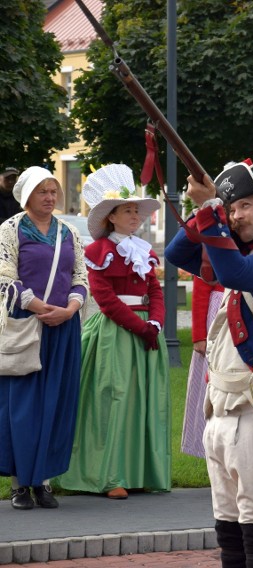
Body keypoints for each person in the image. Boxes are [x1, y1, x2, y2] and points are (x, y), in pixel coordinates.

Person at [165, 160, 253, 568]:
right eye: (233, 208)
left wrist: (212, 207)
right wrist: (206, 209)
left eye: (245, 205)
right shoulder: (238, 250)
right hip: (221, 410)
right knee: (229, 533)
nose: (237, 215)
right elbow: (177, 252)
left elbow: (234, 271)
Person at [58, 164, 170, 499]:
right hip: (115, 333)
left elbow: (156, 292)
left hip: (146, 332)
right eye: (128, 210)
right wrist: (140, 326)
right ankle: (111, 475)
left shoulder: (144, 252)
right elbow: (105, 299)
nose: (135, 215)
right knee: (114, 399)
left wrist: (156, 323)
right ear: (111, 217)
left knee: (145, 402)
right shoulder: (97, 252)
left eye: (137, 209)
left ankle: (141, 471)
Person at [0, 166, 88, 510]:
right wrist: (39, 307)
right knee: (23, 407)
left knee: (56, 402)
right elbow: (5, 277)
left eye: (54, 191)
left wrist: (69, 309)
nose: (50, 197)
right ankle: (20, 484)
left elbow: (80, 274)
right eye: (43, 191)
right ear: (26, 196)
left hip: (63, 328)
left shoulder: (68, 232)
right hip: (26, 325)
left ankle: (44, 483)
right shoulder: (9, 230)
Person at [182, 275, 225, 458]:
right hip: (218, 315)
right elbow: (200, 290)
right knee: (208, 386)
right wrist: (200, 336)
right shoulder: (211, 247)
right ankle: (210, 449)